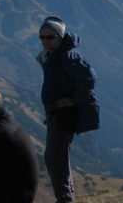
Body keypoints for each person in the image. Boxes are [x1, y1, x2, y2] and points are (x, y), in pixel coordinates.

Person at [36, 16, 99, 203]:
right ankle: (64, 197)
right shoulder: (53, 55)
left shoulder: (68, 55)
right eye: (42, 37)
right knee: (53, 155)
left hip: (65, 114)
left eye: (50, 37)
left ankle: (65, 198)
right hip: (55, 112)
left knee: (57, 155)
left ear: (60, 37)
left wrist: (72, 100)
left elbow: (90, 79)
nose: (45, 41)